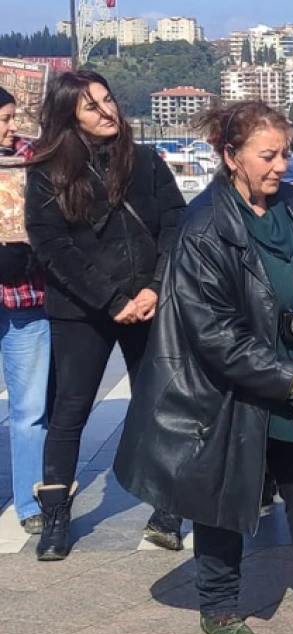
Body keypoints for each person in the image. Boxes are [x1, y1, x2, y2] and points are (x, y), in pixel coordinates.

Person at [113, 101, 293, 634]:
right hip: (237, 386)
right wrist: (282, 374)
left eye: (286, 153)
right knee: (226, 498)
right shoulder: (205, 226)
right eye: (268, 156)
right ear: (230, 156)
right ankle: (220, 604)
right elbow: (212, 332)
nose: (281, 165)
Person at [24, 71, 186, 560]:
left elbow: (177, 224)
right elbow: (53, 247)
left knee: (157, 404)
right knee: (70, 411)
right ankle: (55, 517)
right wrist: (113, 299)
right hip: (81, 310)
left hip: (149, 299)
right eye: (91, 106)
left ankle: (167, 510)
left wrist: (154, 288)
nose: (107, 110)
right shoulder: (46, 171)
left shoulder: (147, 161)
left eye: (108, 99)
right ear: (69, 115)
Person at [0, 86, 51, 536]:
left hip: (27, 297)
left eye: (12, 117)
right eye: (2, 119)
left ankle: (29, 500)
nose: (9, 127)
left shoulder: (33, 158)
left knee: (30, 408)